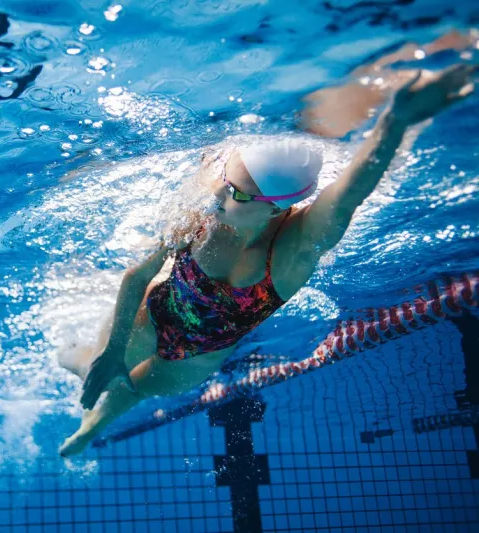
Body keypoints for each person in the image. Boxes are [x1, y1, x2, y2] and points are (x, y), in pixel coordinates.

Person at [58, 60, 475, 457]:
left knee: (132, 391)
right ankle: (76, 359)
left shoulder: (293, 252)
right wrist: (112, 352)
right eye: (225, 181)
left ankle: (91, 428)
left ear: (276, 208)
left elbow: (349, 193)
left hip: (195, 359)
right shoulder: (213, 201)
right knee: (93, 366)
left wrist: (394, 122)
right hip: (150, 314)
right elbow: (140, 270)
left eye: (236, 193)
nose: (218, 195)